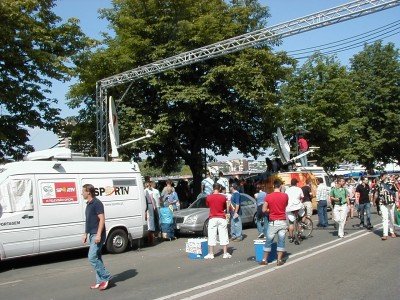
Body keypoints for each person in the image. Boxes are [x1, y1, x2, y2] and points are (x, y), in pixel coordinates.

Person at [81, 184, 112, 291]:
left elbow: (102, 219)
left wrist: (98, 234)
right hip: (91, 234)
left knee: (92, 257)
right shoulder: (89, 204)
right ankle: (100, 281)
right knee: (97, 257)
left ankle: (106, 276)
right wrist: (85, 233)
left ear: (88, 192)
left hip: (97, 234)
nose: (82, 193)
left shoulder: (97, 203)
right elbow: (88, 221)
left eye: (83, 191)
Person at [259, 179, 289, 266]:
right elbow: (285, 206)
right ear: (280, 186)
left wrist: (270, 210)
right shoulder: (285, 196)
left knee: (268, 241)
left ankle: (264, 260)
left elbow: (264, 209)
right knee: (281, 241)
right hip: (282, 221)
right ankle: (279, 260)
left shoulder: (268, 196)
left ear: (273, 186)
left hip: (273, 222)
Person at [204, 183, 231, 259]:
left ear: (213, 188)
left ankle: (211, 253)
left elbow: (208, 205)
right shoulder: (223, 197)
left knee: (211, 235)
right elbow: (225, 207)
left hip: (212, 217)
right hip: (221, 217)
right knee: (224, 235)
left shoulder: (208, 197)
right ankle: (225, 253)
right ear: (219, 189)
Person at [376, 172, 397, 240]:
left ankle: (392, 232)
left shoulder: (391, 183)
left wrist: (397, 201)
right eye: (384, 176)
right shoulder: (379, 184)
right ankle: (385, 234)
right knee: (384, 218)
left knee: (392, 218)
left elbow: (396, 191)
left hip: (391, 202)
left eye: (386, 175)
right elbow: (376, 193)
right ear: (382, 176)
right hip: (383, 203)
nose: (385, 176)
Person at [285, 178, 305, 243]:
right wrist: (300, 201)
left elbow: (286, 199)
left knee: (291, 222)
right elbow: (302, 197)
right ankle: (299, 233)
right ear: (296, 183)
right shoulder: (299, 189)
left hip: (290, 207)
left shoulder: (287, 190)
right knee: (300, 219)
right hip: (297, 206)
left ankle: (291, 237)